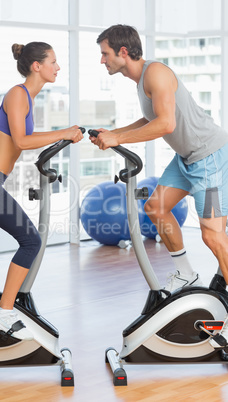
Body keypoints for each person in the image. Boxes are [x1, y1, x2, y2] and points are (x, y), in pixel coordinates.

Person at [90, 24, 228, 348]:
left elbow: (166, 124)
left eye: (104, 54)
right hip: (187, 159)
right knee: (155, 207)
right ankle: (186, 273)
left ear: (123, 52)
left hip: (208, 159)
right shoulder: (142, 82)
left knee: (212, 233)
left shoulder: (157, 73)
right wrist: (113, 132)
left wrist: (118, 138)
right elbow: (151, 119)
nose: (102, 61)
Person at [0, 41, 83, 341]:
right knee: (31, 241)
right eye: (53, 61)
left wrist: (63, 135)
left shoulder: (27, 97)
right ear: (36, 66)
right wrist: (66, 132)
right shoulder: (18, 94)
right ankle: (3, 313)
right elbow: (23, 140)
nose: (58, 67)